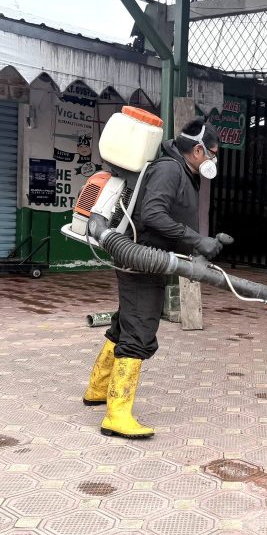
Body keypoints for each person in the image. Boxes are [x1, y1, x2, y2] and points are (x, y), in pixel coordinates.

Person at [83, 119, 224, 439]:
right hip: (140, 261)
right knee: (140, 329)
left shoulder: (184, 172)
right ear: (198, 150)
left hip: (153, 263)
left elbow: (172, 217)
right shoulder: (170, 170)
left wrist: (199, 244)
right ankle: (116, 415)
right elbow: (153, 215)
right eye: (213, 153)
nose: (215, 160)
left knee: (126, 322)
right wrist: (196, 239)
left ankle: (97, 389)